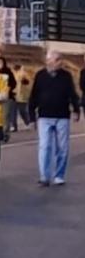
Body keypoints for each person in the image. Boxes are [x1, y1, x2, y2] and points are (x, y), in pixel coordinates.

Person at [29, 50, 80, 186]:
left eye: (60, 59)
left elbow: (72, 94)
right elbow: (33, 96)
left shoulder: (66, 76)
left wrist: (76, 110)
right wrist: (31, 117)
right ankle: (44, 176)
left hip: (62, 116)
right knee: (45, 146)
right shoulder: (40, 75)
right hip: (44, 116)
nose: (60, 62)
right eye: (57, 59)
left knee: (62, 147)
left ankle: (59, 175)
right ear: (49, 61)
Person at [0, 56, 17, 139]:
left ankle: (5, 134)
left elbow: (13, 83)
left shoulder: (8, 72)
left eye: (1, 62)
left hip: (6, 97)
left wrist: (7, 88)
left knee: (5, 116)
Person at [13, 63, 32, 130]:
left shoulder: (24, 73)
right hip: (14, 95)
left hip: (22, 96)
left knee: (22, 111)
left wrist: (24, 80)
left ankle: (28, 122)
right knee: (13, 112)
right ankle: (14, 126)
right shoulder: (13, 74)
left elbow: (28, 82)